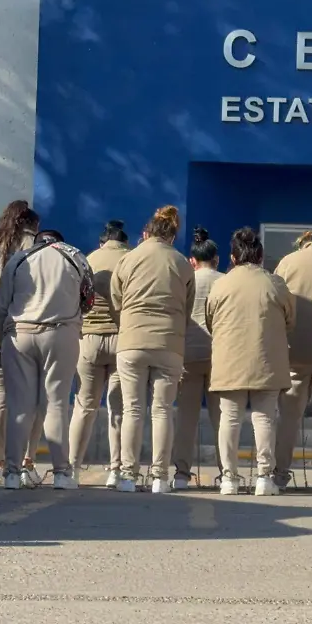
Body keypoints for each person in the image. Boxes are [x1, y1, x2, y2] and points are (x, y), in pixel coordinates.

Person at [0, 229, 94, 489]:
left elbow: (1, 305)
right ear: (59, 241)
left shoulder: (18, 259)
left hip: (19, 333)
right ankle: (61, 473)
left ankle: (12, 473)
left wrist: (2, 340)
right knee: (56, 403)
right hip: (61, 334)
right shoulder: (75, 256)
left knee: (19, 406)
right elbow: (88, 300)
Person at [110, 205, 196, 494]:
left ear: (146, 233)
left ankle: (127, 476)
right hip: (169, 342)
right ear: (172, 236)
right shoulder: (182, 263)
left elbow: (117, 300)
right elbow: (187, 307)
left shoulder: (129, 259)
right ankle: (160, 476)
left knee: (132, 409)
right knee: (162, 410)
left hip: (132, 341)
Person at [204, 227, 294, 496]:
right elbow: (290, 320)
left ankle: (229, 477)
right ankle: (264, 477)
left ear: (233, 257)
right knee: (264, 418)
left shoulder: (221, 284)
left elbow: (210, 320)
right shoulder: (275, 284)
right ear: (261, 256)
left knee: (229, 419)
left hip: (229, 359)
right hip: (266, 359)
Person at [0, 200, 45, 486]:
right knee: (33, 402)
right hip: (22, 332)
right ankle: (26, 462)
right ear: (33, 225)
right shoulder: (36, 249)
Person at [69, 219, 131, 487]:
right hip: (122, 338)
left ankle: (71, 469)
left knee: (84, 406)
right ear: (124, 241)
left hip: (89, 338)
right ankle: (116, 470)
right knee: (119, 408)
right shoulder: (131, 259)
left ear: (102, 241)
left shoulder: (88, 259)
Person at [272, 231, 312, 489]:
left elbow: (276, 300)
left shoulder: (287, 263)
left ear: (302, 244)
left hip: (294, 349)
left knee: (288, 416)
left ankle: (279, 473)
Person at [172, 226, 225, 489]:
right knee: (223, 419)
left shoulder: (186, 281)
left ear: (192, 260)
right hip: (220, 357)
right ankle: (227, 472)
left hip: (188, 355)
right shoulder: (225, 281)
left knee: (186, 419)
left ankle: (181, 474)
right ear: (216, 259)